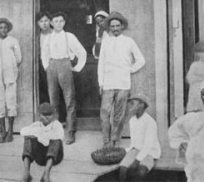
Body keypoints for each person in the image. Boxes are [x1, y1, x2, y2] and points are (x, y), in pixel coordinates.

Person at [98, 11, 145, 147]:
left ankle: (115, 140)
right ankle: (106, 141)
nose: (115, 29)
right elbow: (101, 63)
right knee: (105, 112)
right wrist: (101, 82)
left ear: (122, 26)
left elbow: (141, 60)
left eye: (117, 26)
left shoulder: (129, 42)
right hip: (108, 83)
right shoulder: (106, 42)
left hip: (123, 83)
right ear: (109, 27)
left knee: (119, 113)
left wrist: (129, 69)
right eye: (112, 26)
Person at [40, 12, 87, 145]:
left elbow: (82, 52)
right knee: (53, 100)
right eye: (56, 21)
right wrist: (46, 66)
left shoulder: (69, 36)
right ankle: (55, 132)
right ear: (51, 23)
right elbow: (44, 54)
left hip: (65, 65)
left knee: (69, 100)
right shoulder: (48, 38)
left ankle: (71, 132)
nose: (58, 24)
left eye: (61, 21)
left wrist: (77, 67)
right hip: (52, 66)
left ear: (64, 22)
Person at [0, 18, 22, 143]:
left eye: (5, 27)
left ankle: (10, 132)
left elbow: (19, 57)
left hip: (10, 76)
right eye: (0, 28)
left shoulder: (13, 41)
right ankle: (2, 132)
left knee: (11, 102)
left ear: (8, 29)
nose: (3, 30)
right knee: (0, 102)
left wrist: (11, 66)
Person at [119, 94, 161, 181]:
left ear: (141, 105)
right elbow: (133, 142)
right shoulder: (132, 120)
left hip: (149, 152)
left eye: (132, 103)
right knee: (123, 169)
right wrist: (127, 151)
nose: (130, 106)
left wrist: (137, 160)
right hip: (136, 149)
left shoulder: (150, 122)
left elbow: (148, 146)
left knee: (141, 171)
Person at [20, 103, 64, 182]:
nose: (46, 117)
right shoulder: (37, 125)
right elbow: (23, 131)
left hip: (54, 157)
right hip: (40, 157)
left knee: (56, 140)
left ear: (53, 116)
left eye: (49, 115)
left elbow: (59, 135)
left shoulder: (56, 124)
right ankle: (26, 173)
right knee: (28, 138)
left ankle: (46, 174)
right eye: (44, 115)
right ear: (39, 116)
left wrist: (40, 135)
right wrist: (35, 135)